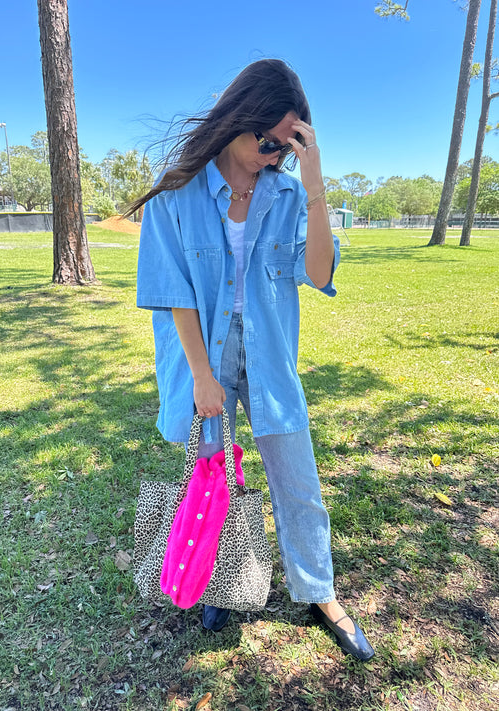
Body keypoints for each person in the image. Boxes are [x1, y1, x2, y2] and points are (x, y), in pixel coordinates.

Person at [131, 59, 374, 661]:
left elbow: (318, 274)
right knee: (213, 472)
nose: (273, 154)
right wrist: (202, 378)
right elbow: (173, 294)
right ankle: (219, 580)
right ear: (240, 120)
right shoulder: (178, 193)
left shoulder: (291, 194)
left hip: (269, 355)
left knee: (297, 477)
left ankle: (319, 593)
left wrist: (313, 183)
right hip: (201, 357)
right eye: (268, 140)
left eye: (286, 146)